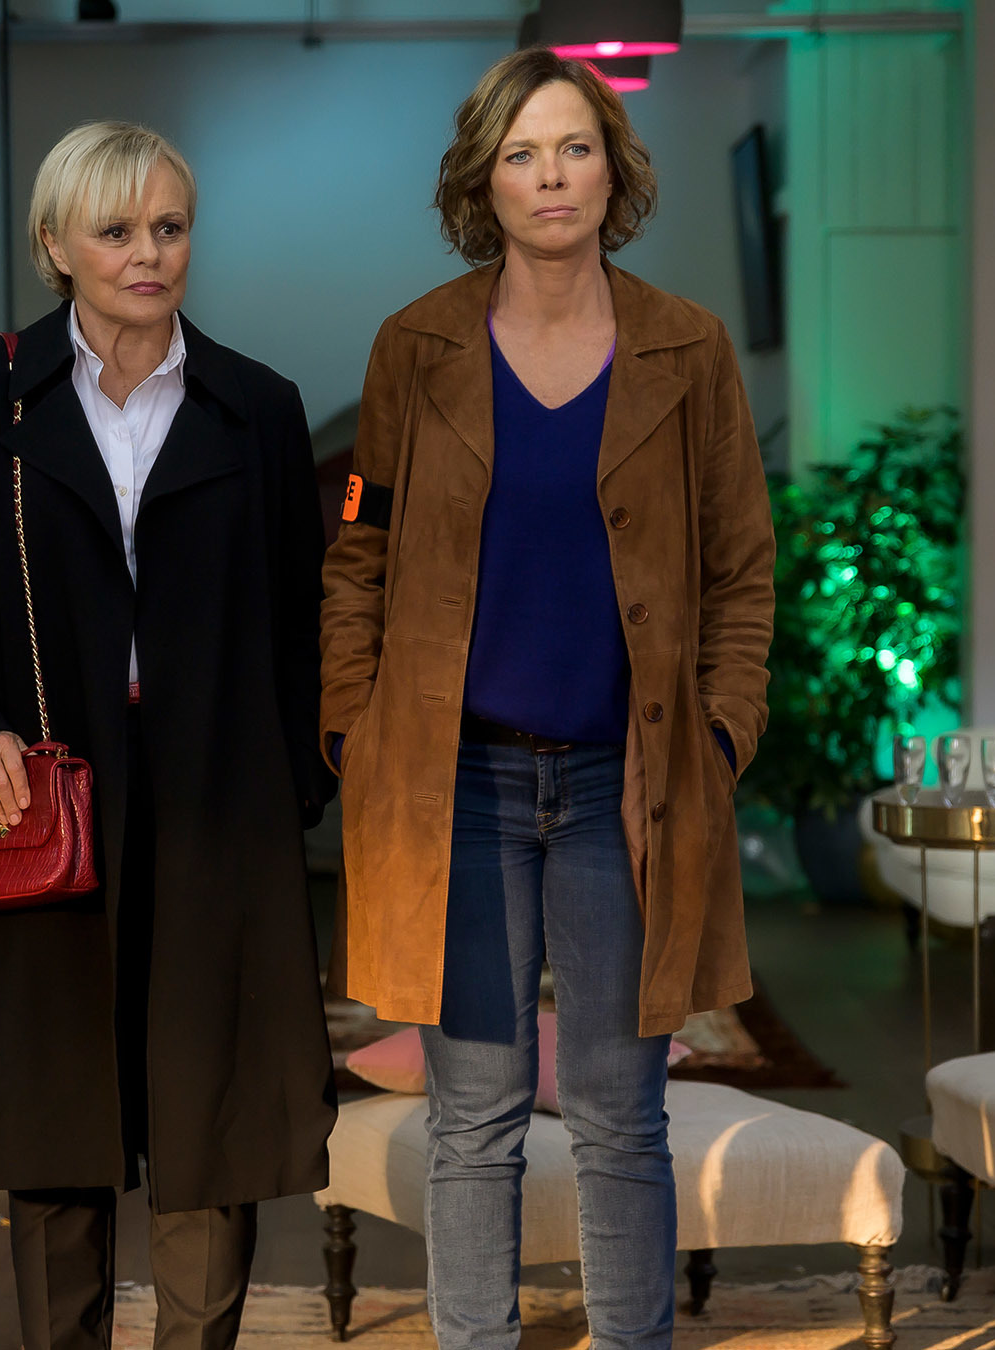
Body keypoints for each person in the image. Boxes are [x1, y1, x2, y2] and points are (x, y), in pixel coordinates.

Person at [319, 49, 777, 1350]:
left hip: (624, 791)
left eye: (575, 148)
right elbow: (359, 554)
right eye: (521, 154)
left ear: (613, 171)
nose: (552, 176)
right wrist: (355, 727)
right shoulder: (416, 347)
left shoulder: (689, 346)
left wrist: (720, 735)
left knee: (623, 1116)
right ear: (485, 182)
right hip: (455, 785)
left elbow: (742, 568)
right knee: (473, 1117)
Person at [0, 120, 335, 1350]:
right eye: (118, 230)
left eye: (170, 228)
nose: (149, 254)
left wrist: (294, 783)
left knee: (215, 1112)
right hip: (43, 798)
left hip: (220, 804)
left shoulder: (259, 408)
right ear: (56, 246)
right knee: (54, 1109)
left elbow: (305, 620)